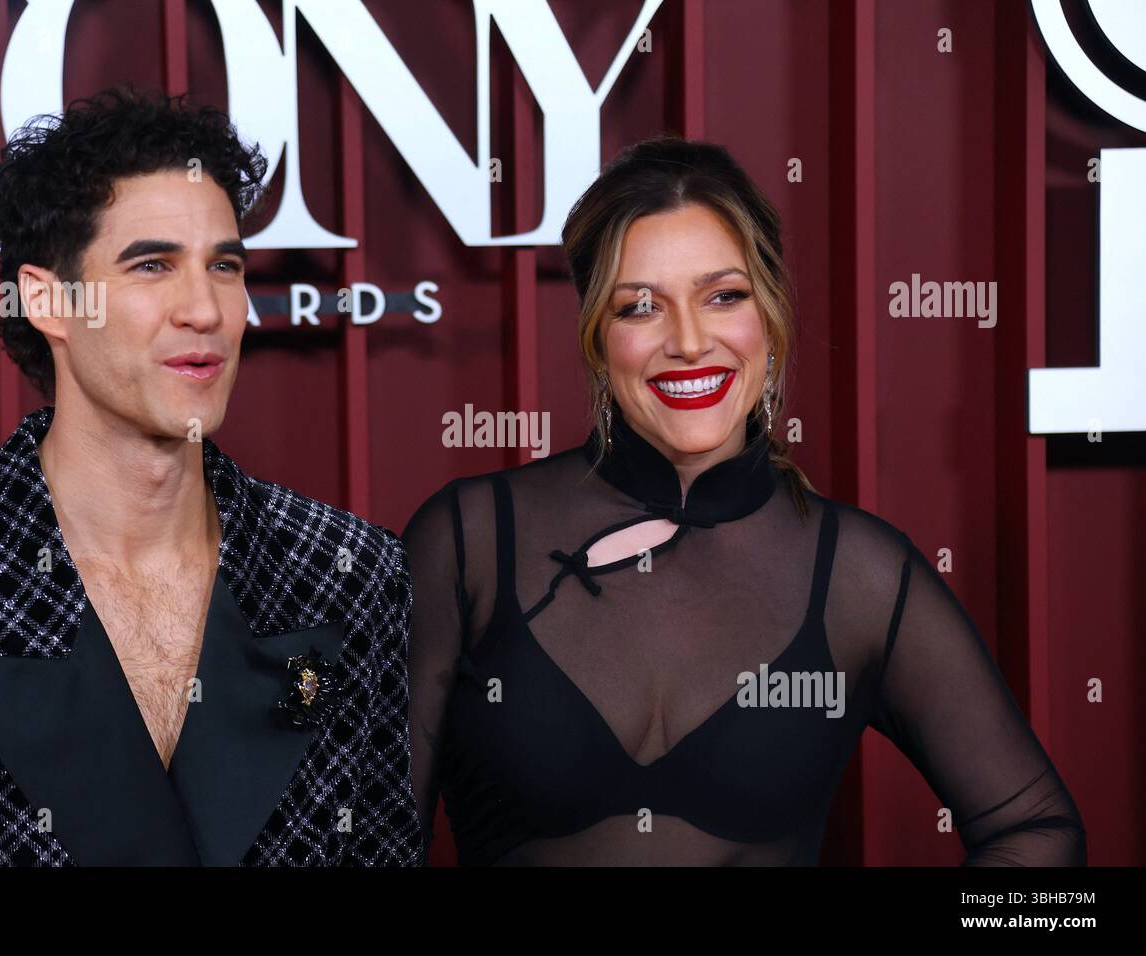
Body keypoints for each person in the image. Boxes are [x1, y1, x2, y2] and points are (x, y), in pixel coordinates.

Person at [403, 136, 1086, 866]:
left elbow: (1038, 835)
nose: (690, 341)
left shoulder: (860, 574)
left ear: (769, 317)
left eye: (723, 296)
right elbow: (361, 839)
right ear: (599, 340)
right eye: (640, 307)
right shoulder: (469, 539)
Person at [0, 87, 421, 866]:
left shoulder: (351, 573)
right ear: (47, 301)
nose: (205, 310)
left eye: (224, 265)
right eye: (152, 265)